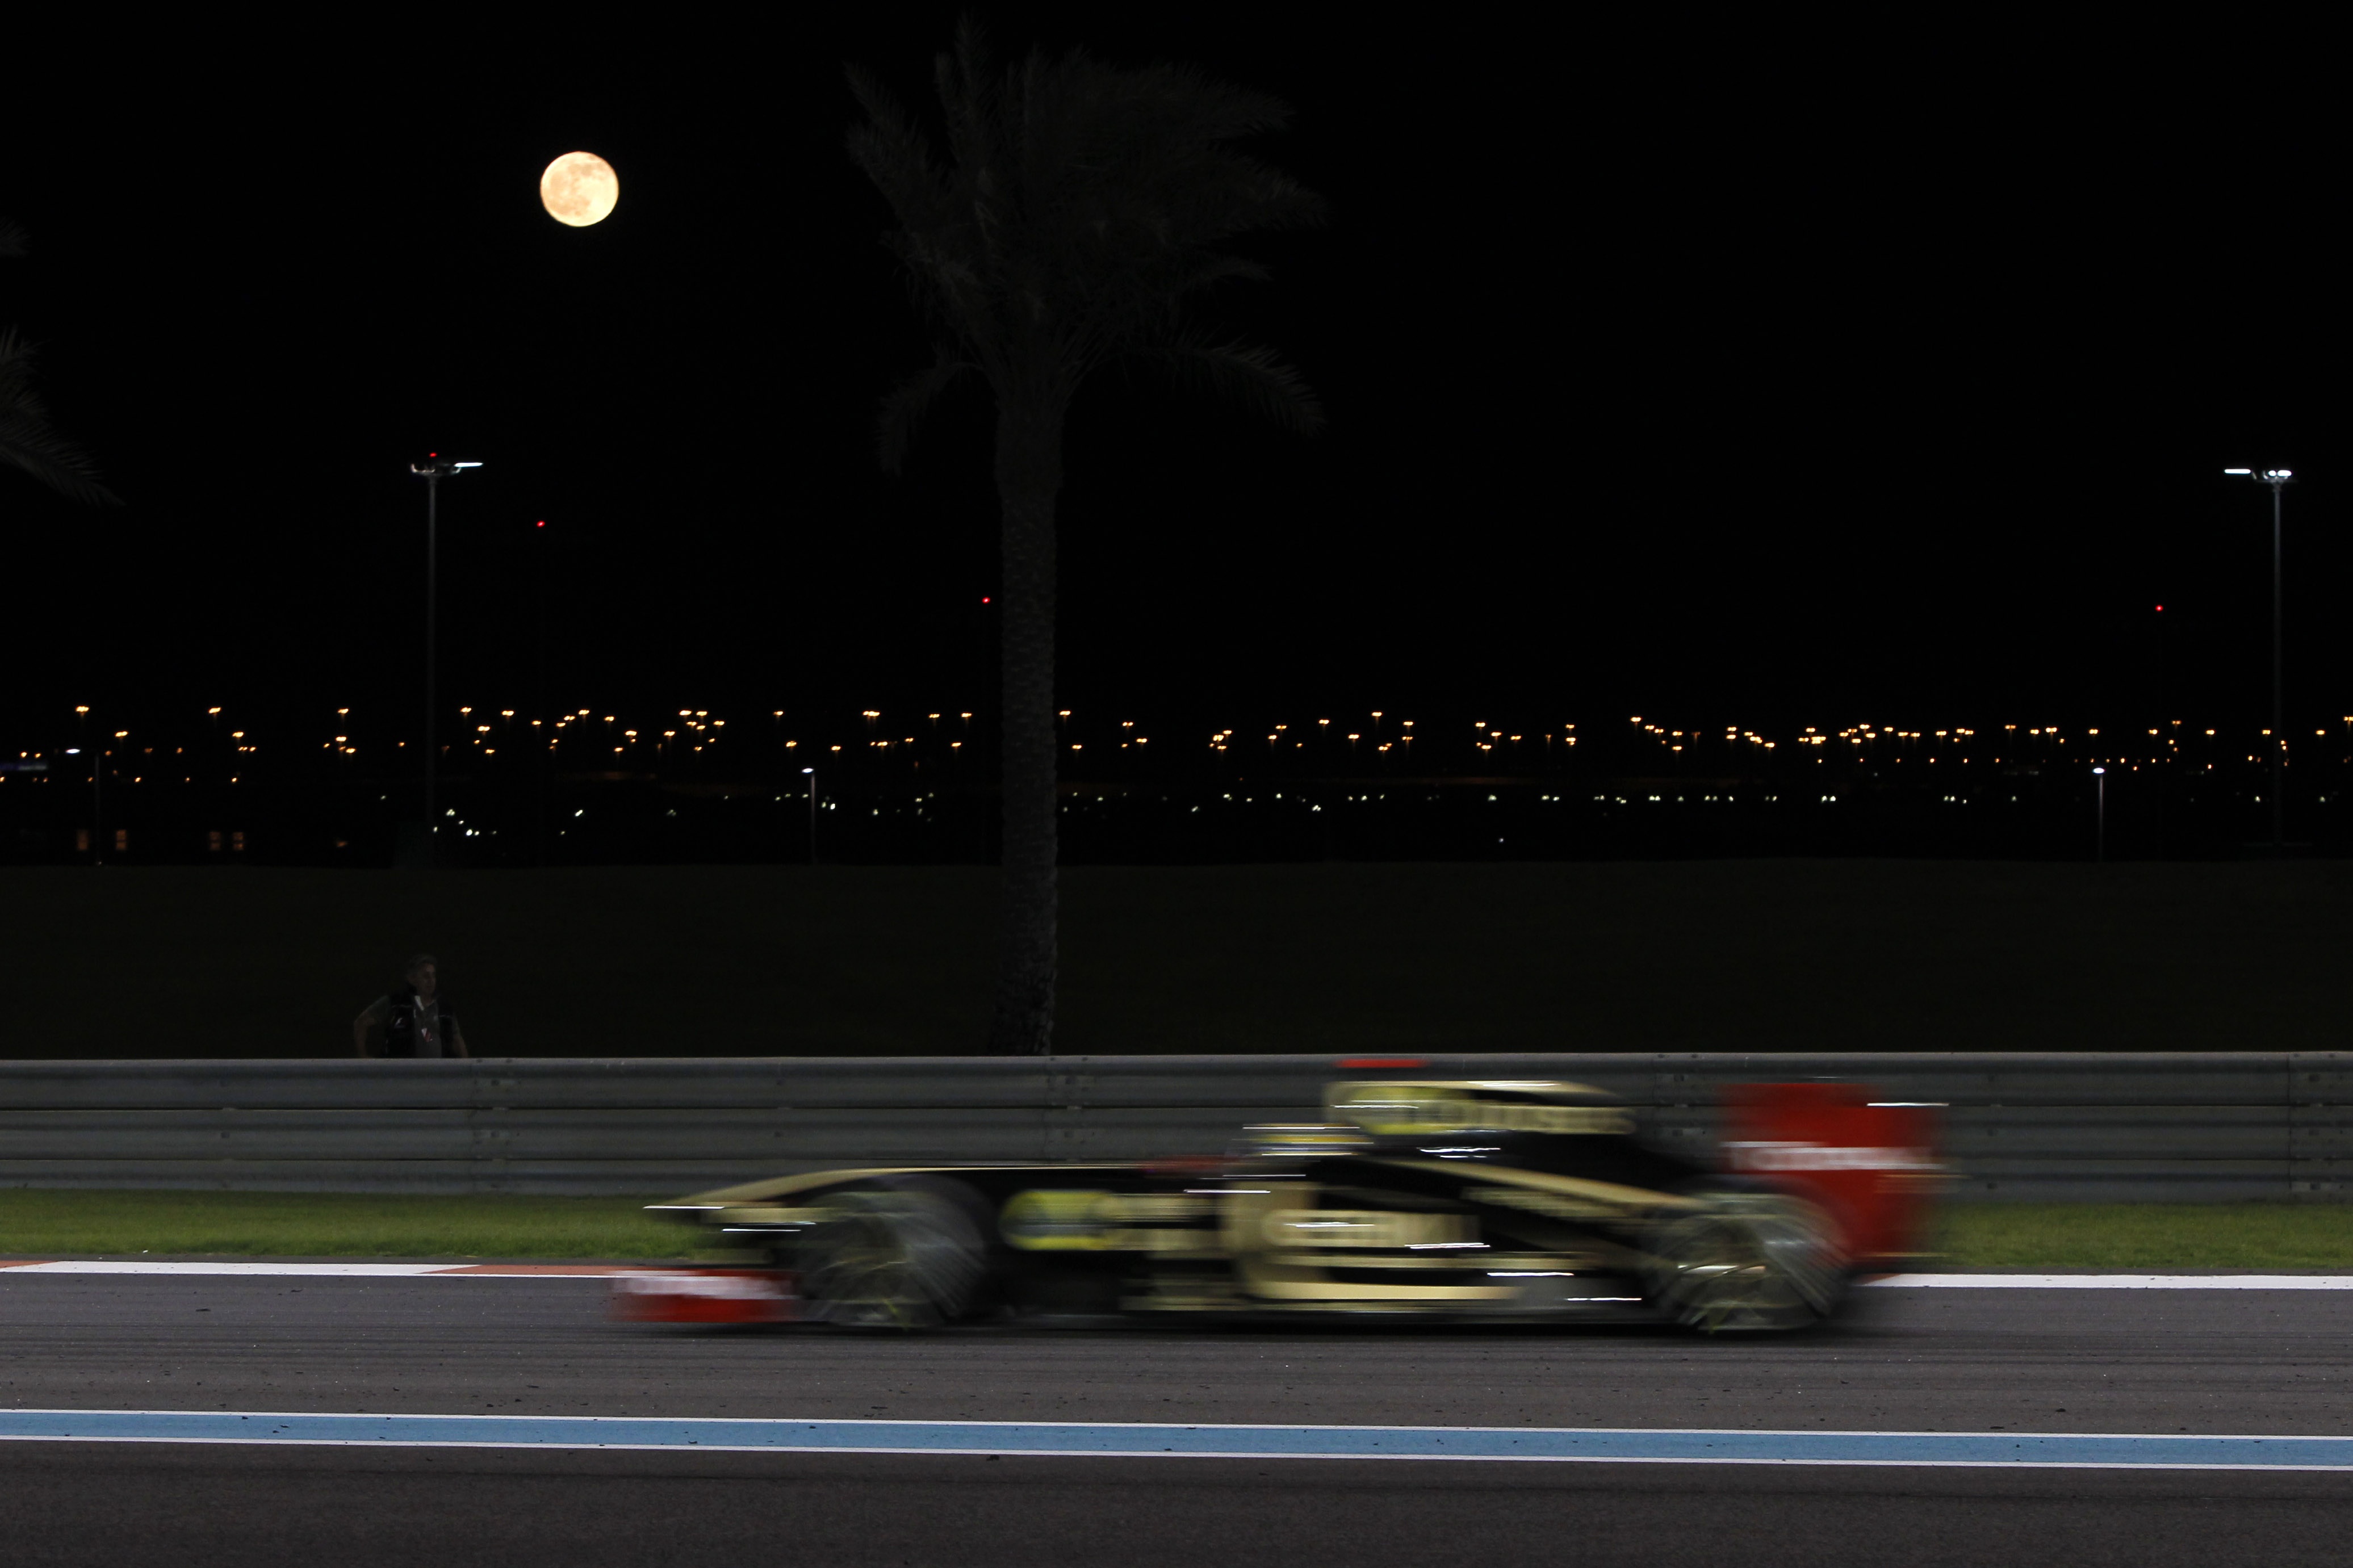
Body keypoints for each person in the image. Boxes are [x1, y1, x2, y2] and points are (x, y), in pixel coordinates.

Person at [353, 953, 471, 1058]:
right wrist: (363, 1056)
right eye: (426, 976)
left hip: (438, 1073)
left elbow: (457, 1039)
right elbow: (361, 1022)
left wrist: (467, 1069)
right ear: (412, 979)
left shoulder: (444, 1008)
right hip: (401, 1072)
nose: (431, 980)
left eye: (433, 976)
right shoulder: (396, 1003)